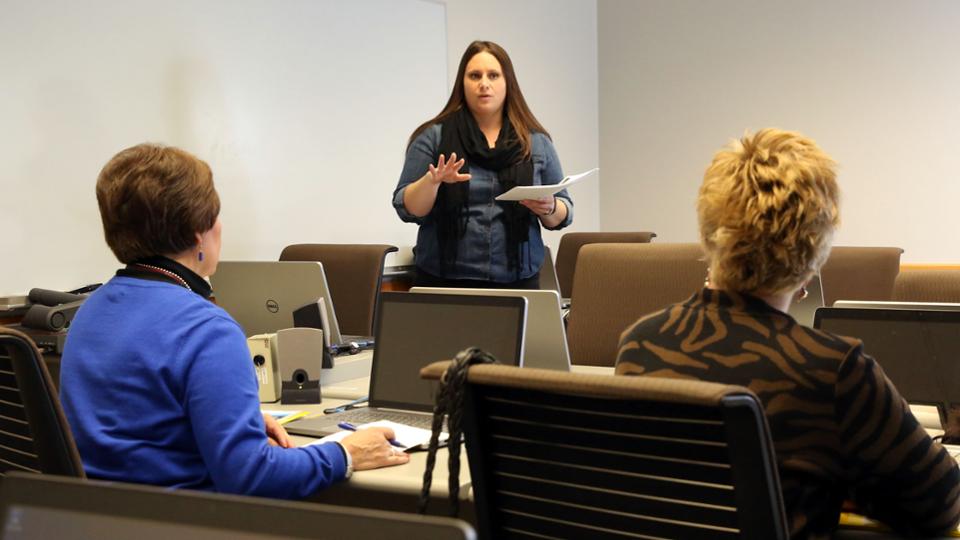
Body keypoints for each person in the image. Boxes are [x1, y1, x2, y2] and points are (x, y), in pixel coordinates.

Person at [614, 129, 959, 538]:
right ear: (814, 254)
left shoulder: (641, 343)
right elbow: (941, 505)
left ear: (709, 234)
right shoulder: (833, 370)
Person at [60, 144, 408, 499]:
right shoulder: (206, 329)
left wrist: (232, 419)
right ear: (199, 231)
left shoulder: (90, 312)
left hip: (98, 519)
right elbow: (251, 477)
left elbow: (136, 424)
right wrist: (345, 453)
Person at [393, 40, 573, 288]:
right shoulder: (433, 137)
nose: (484, 84)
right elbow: (407, 207)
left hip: (518, 278)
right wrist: (431, 182)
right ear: (462, 83)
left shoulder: (536, 142)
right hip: (444, 278)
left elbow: (564, 213)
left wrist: (550, 206)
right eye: (474, 76)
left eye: (493, 75)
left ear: (507, 82)